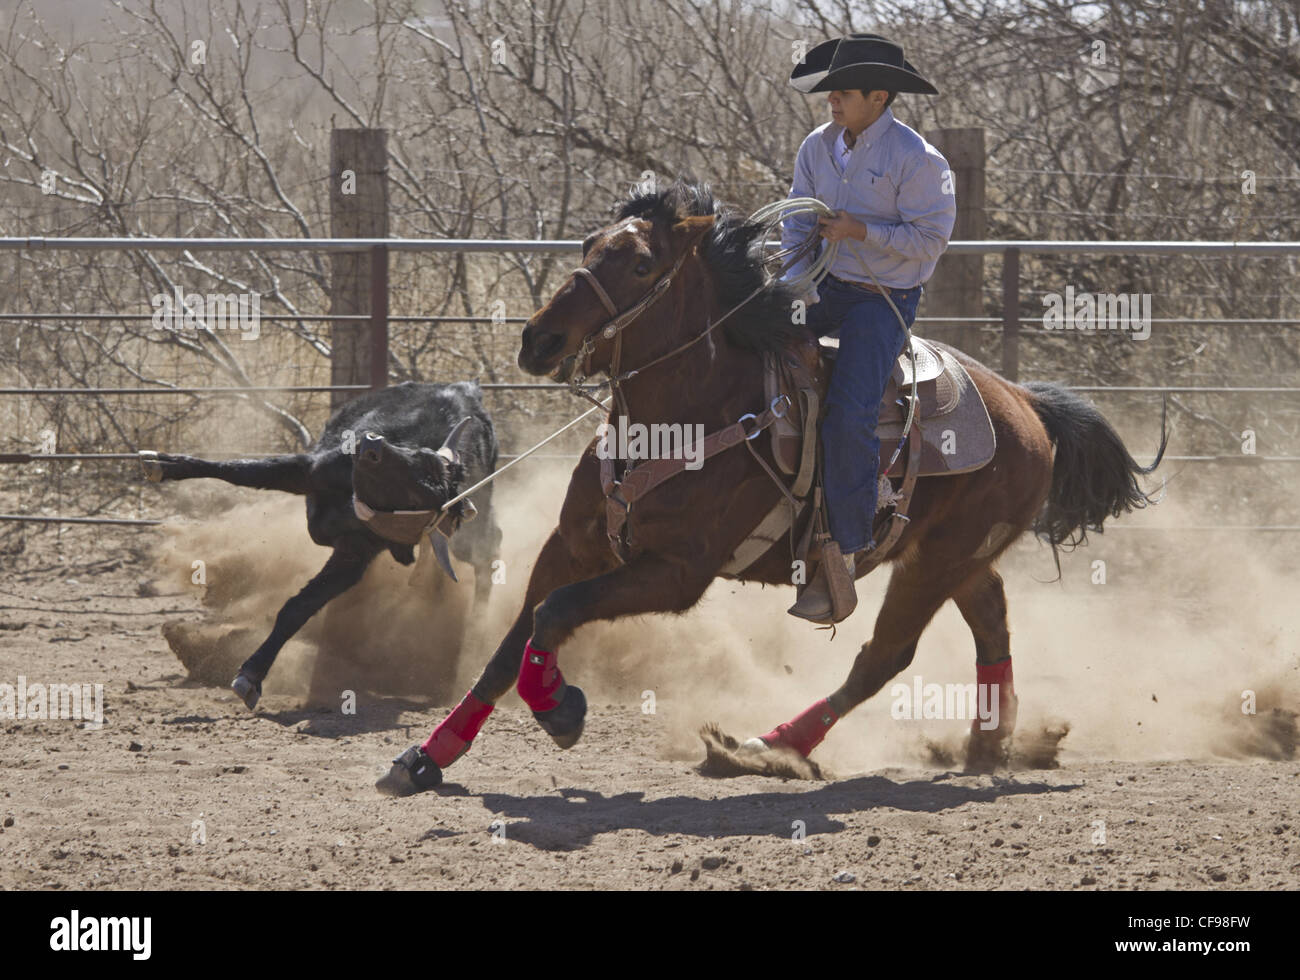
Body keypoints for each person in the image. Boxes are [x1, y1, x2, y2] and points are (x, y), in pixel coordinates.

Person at [782, 33, 956, 623]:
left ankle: (847, 545)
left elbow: (929, 245)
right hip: (820, 288)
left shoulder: (919, 160)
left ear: (878, 96)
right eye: (831, 90)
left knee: (851, 409)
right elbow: (794, 221)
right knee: (740, 341)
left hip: (881, 302)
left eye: (843, 92)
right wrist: (794, 283)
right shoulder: (817, 147)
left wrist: (863, 233)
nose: (831, 100)